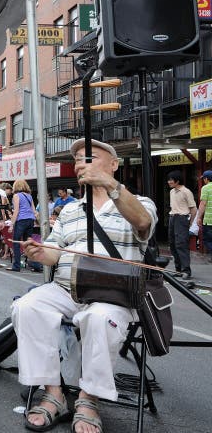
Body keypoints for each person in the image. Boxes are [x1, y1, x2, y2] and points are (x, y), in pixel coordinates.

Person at [13, 139, 156, 433]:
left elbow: (142, 223)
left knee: (99, 317)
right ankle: (53, 393)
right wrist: (40, 252)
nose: (80, 163)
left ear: (114, 165)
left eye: (89, 157)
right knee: (26, 306)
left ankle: (89, 398)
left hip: (111, 295)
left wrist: (109, 184)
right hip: (67, 288)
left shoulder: (139, 203)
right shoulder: (70, 210)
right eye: (77, 158)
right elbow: (54, 251)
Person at [166, 170, 196, 278]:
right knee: (173, 244)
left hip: (182, 218)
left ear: (177, 181)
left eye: (171, 180)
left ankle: (186, 271)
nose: (169, 182)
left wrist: (190, 222)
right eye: (168, 180)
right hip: (172, 218)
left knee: (181, 244)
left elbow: (193, 208)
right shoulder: (171, 192)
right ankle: (178, 270)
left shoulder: (186, 191)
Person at [7, 179, 41, 273]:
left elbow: (16, 211)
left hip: (21, 220)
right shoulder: (29, 196)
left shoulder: (16, 196)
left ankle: (16, 266)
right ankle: (36, 265)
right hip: (30, 220)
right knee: (28, 243)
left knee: (16, 243)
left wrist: (11, 224)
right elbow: (34, 210)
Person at [195, 170, 212, 261]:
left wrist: (198, 217)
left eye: (204, 179)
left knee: (207, 240)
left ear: (206, 179)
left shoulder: (205, 188)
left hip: (209, 220)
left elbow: (203, 204)